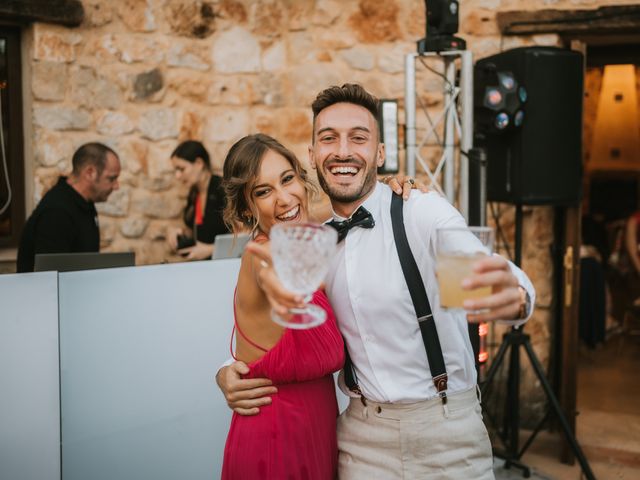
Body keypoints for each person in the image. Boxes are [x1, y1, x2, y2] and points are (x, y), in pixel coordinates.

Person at [218, 84, 536, 479]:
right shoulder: (309, 240)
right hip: (359, 440)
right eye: (329, 138)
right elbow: (266, 320)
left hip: (444, 435)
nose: (344, 150)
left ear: (380, 154)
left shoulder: (419, 213)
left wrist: (515, 297)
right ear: (314, 155)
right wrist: (229, 368)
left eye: (359, 138)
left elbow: (475, 265)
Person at [219, 133, 420, 479]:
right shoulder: (260, 257)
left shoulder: (313, 242)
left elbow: (346, 212)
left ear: (301, 178)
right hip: (274, 441)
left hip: (320, 434)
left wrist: (385, 189)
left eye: (287, 179)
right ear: (246, 209)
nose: (284, 198)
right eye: (263, 192)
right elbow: (270, 275)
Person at [17, 142, 121, 273]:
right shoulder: (56, 212)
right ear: (90, 173)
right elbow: (50, 278)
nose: (116, 186)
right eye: (111, 178)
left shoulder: (85, 203)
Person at [167, 140, 229, 260]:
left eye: (181, 169)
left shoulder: (223, 190)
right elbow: (198, 231)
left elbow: (245, 235)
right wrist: (177, 231)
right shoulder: (194, 193)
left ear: (199, 163)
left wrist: (210, 249)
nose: (177, 176)